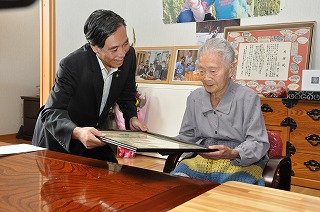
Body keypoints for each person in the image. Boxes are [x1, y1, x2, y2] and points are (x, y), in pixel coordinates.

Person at [32, 9, 147, 163]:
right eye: (113, 49)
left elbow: (126, 93)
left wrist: (132, 117)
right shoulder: (72, 65)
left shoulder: (129, 56)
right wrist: (77, 132)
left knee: (110, 174)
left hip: (93, 135)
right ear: (94, 47)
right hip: (61, 137)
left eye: (125, 43)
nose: (122, 53)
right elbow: (52, 111)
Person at [170, 37, 270, 186]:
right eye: (202, 71)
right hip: (201, 159)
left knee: (235, 196)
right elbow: (187, 135)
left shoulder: (248, 98)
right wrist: (160, 144)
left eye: (213, 71)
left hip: (239, 162)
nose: (206, 78)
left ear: (231, 69)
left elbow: (258, 142)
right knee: (175, 185)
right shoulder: (195, 97)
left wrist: (233, 153)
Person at [177, 0, 249, 23]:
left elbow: (244, 6)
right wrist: (196, 4)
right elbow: (199, 19)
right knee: (186, 18)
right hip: (192, 12)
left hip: (236, 16)